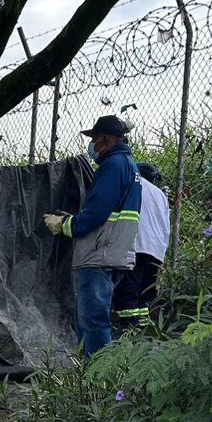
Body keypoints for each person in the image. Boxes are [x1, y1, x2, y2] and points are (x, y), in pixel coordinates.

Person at [43, 115, 140, 355]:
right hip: (114, 250)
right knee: (96, 316)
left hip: (98, 252)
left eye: (95, 139)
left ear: (106, 140)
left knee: (92, 320)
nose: (92, 145)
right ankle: (91, 377)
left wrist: (66, 225)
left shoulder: (113, 166)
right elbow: (110, 210)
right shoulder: (129, 166)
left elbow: (97, 212)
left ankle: (96, 379)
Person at [111, 162, 170, 331]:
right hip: (156, 250)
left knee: (128, 289)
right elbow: (166, 226)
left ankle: (128, 331)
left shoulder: (133, 185)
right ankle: (144, 332)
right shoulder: (160, 195)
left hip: (136, 244)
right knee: (146, 294)